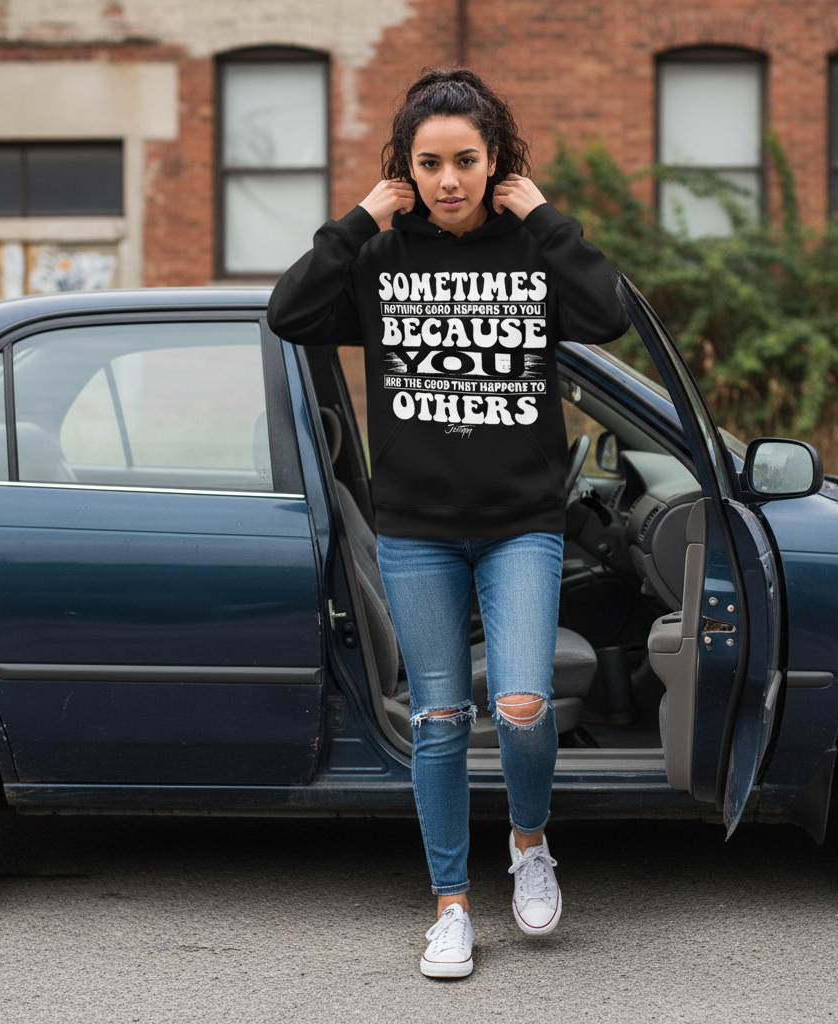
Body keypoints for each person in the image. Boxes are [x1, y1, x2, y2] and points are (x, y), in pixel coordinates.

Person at [268, 67, 628, 979]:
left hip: (520, 524)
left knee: (521, 706)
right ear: (408, 170)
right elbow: (290, 311)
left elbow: (607, 314)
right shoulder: (380, 261)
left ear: (495, 159)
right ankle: (452, 908)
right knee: (436, 718)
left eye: (466, 160)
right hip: (418, 528)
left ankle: (530, 843)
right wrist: (357, 219)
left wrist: (544, 217)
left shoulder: (531, 253)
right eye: (429, 164)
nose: (449, 180)